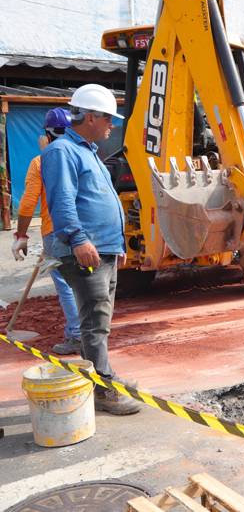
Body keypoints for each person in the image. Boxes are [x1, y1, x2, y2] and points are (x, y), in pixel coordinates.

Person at [41, 84, 139, 416]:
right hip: (86, 250)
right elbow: (62, 201)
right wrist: (79, 239)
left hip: (104, 249)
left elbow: (102, 199)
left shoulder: (89, 151)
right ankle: (102, 390)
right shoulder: (62, 151)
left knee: (99, 320)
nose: (112, 125)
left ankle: (103, 377)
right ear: (92, 117)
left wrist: (118, 243)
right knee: (94, 322)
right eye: (108, 119)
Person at [10, 108, 82, 354]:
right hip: (87, 232)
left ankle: (76, 335)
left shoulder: (41, 162)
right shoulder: (84, 155)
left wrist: (21, 236)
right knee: (87, 284)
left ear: (47, 134)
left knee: (65, 284)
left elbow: (29, 202)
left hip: (57, 232)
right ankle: (92, 334)